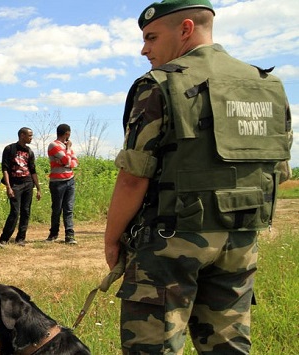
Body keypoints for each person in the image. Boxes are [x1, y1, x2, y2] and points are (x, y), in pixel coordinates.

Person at [103, 1, 292, 353]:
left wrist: (112, 239)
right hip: (240, 239)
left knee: (153, 346)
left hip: (171, 241)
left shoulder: (158, 85)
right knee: (228, 345)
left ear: (186, 29)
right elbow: (278, 171)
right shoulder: (269, 86)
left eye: (152, 38)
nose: (145, 50)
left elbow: (133, 177)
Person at [0, 127, 42, 246]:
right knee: (15, 211)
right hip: (15, 184)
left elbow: (33, 170)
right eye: (29, 135)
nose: (31, 138)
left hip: (28, 183)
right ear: (22, 135)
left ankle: (21, 238)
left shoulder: (29, 151)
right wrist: (8, 187)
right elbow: (5, 169)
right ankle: (4, 238)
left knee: (26, 211)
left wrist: (38, 188)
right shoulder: (10, 149)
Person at [46, 123, 79, 244]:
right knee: (57, 209)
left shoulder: (64, 147)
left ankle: (70, 236)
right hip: (57, 182)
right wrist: (68, 150)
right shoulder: (54, 145)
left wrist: (66, 159)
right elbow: (66, 161)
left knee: (68, 209)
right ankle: (53, 234)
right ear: (67, 133)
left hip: (70, 180)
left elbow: (74, 163)